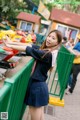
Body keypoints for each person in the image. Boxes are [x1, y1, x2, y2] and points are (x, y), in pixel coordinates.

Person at [3, 30, 62, 120]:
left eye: (53, 38)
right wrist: (11, 42)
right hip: (39, 87)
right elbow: (28, 45)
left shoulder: (47, 54)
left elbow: (28, 49)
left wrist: (9, 45)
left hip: (37, 89)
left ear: (57, 42)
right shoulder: (45, 50)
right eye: (49, 36)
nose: (49, 39)